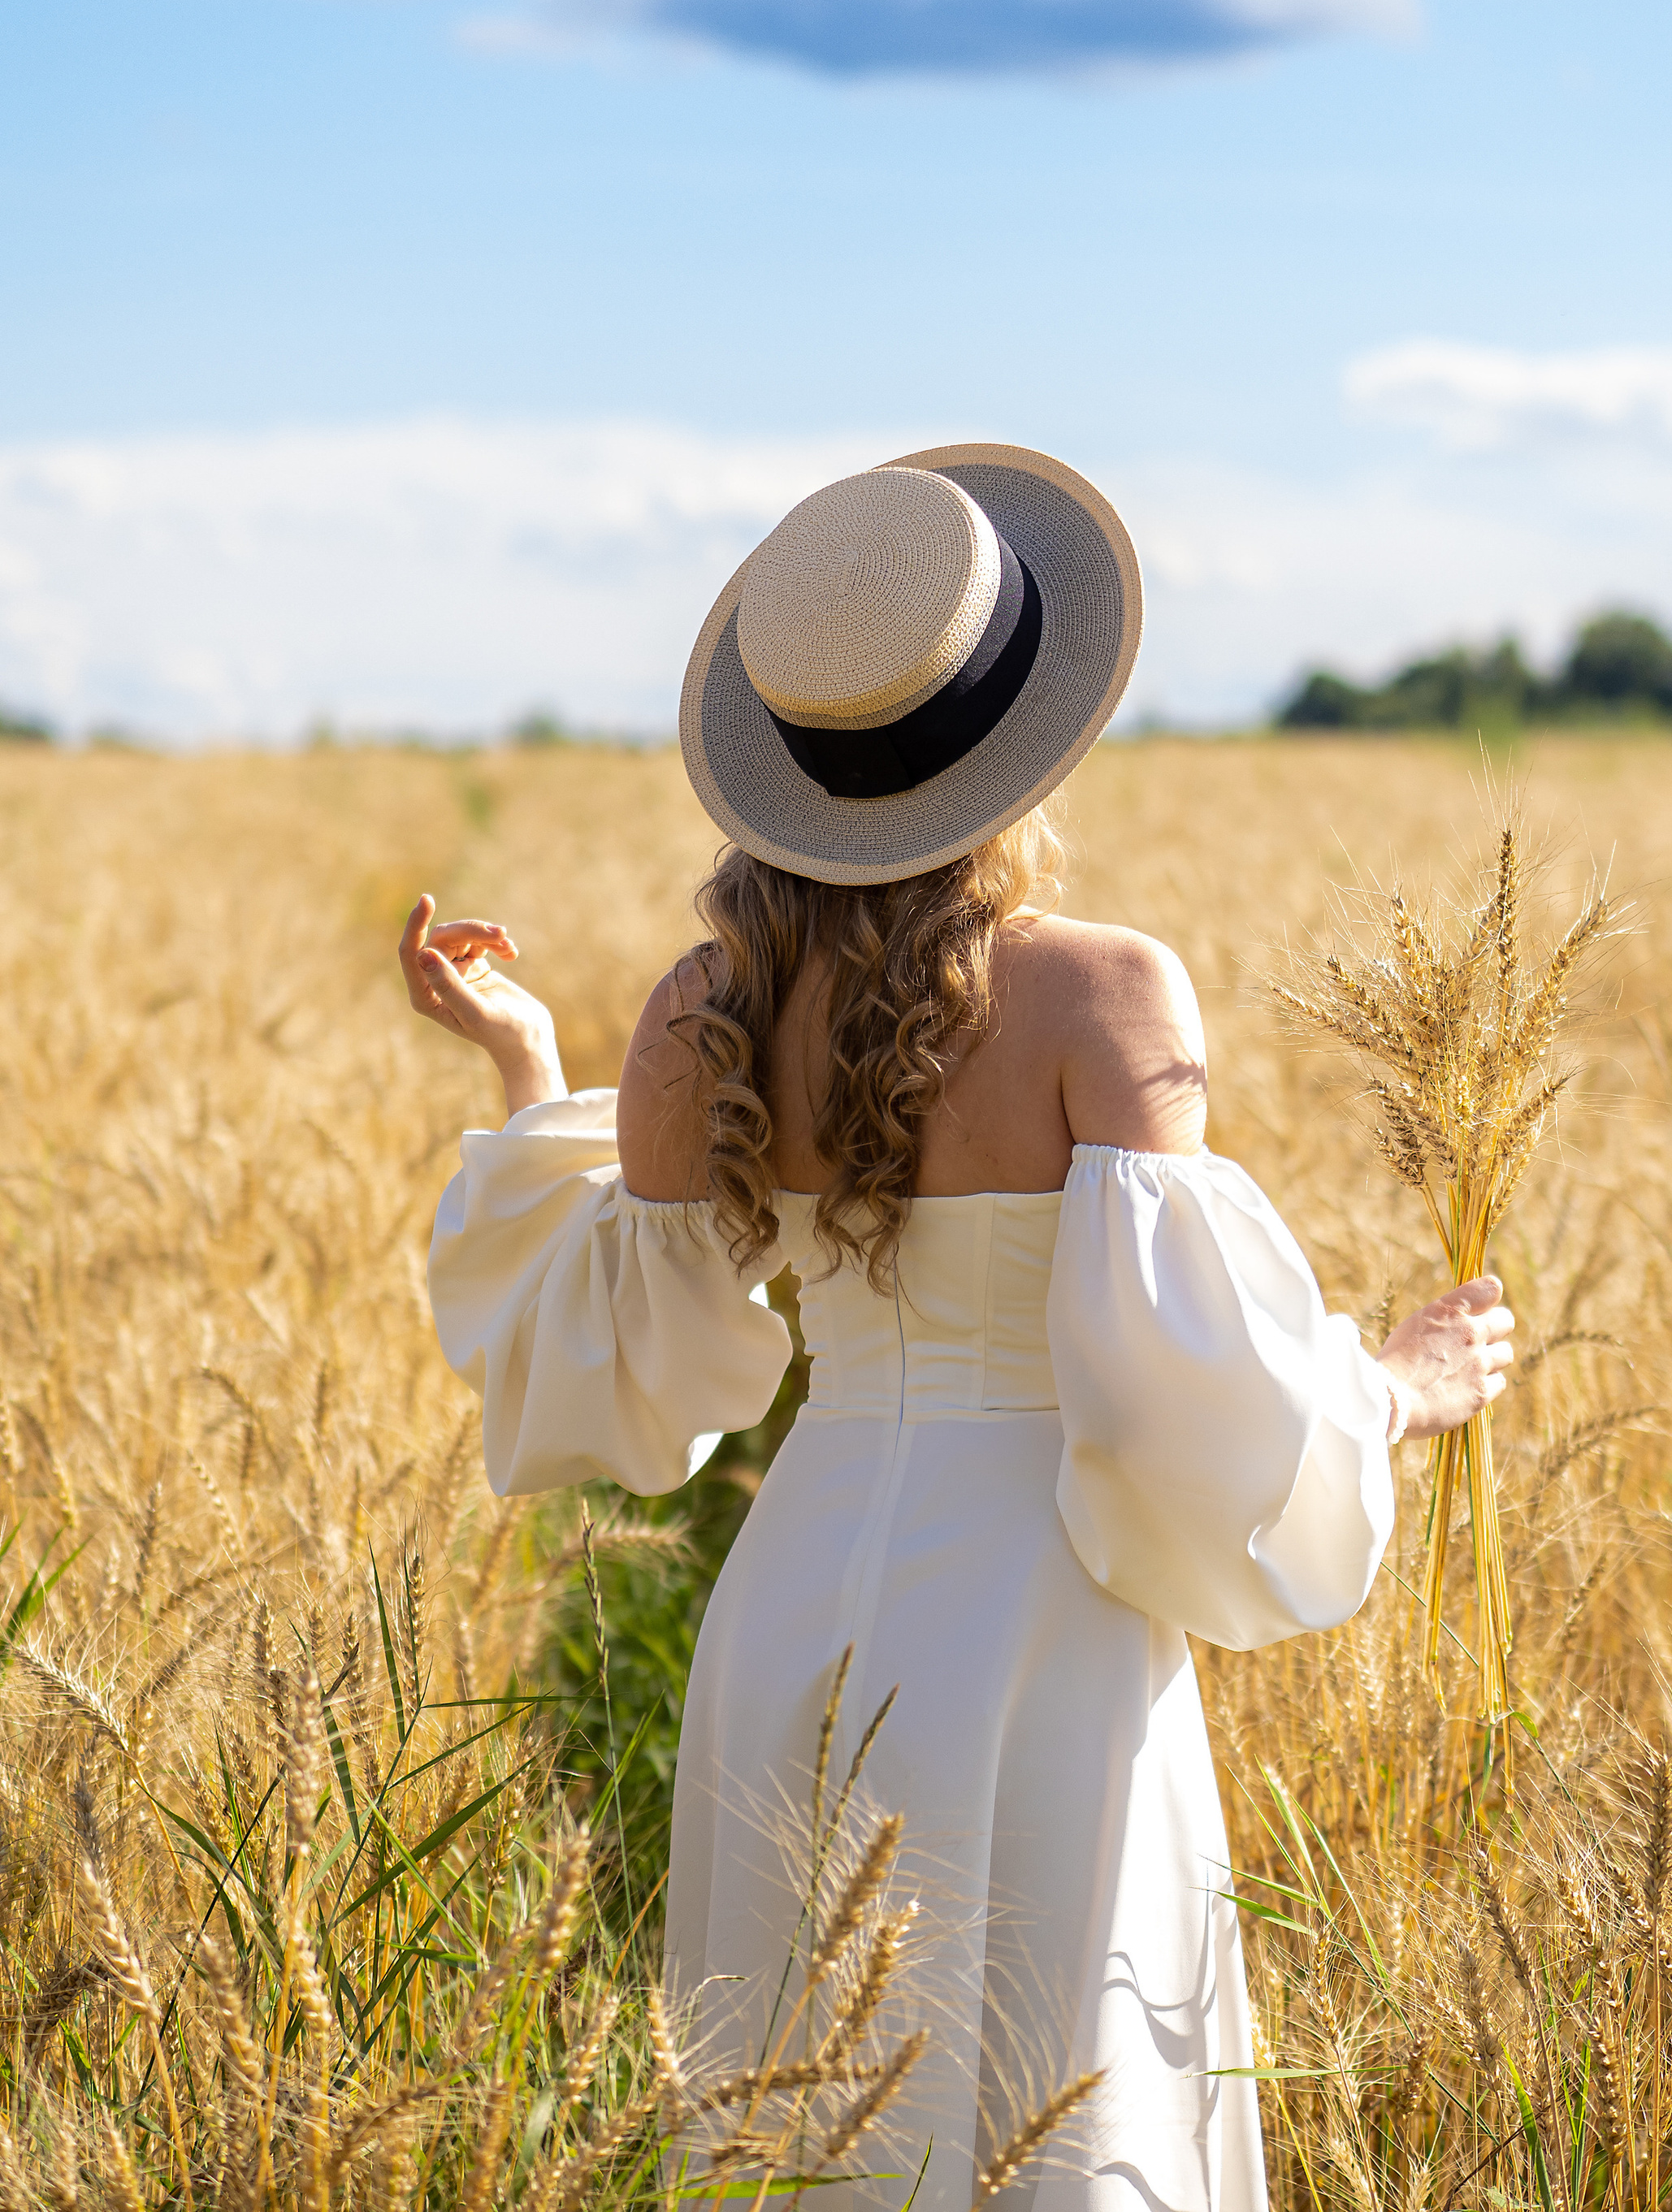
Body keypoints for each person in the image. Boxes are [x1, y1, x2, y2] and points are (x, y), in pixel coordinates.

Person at [400, 444, 1512, 2211]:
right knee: (1050, 2102)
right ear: (1029, 731)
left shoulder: (703, 1012)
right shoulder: (1101, 994)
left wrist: (531, 1056)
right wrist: (1390, 1389)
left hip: (791, 1612)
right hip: (1032, 1622)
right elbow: (1174, 1413)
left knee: (804, 2103)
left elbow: (619, 1344)